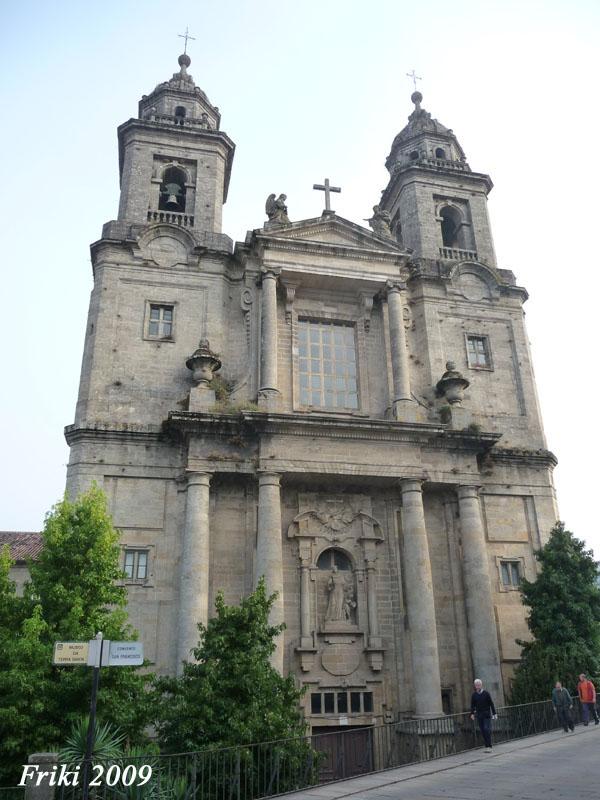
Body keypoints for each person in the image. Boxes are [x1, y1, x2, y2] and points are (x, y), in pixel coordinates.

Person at [470, 678, 497, 752]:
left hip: (486, 714)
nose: (477, 686)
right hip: (479, 715)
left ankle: (489, 746)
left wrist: (494, 713)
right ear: (475, 686)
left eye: (479, 685)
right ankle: (486, 745)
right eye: (476, 685)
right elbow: (472, 705)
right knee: (482, 730)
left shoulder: (486, 693)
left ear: (481, 685)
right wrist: (472, 713)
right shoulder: (474, 695)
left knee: (486, 729)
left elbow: (491, 703)